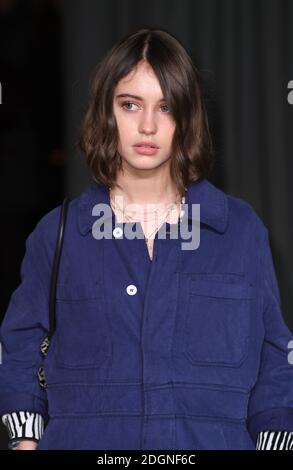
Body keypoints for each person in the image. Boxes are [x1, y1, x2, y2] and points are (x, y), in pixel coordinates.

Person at [0, 27, 293, 451]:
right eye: (131, 104)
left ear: (187, 117)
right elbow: (21, 346)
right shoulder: (59, 235)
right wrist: (25, 442)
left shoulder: (240, 231)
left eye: (166, 107)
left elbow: (274, 356)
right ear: (106, 111)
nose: (148, 126)